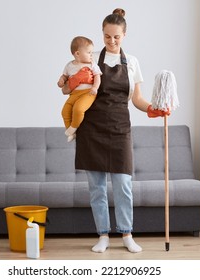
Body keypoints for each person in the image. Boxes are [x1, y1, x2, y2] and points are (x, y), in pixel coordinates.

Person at [68, 8, 169, 253]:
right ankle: (103, 235)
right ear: (102, 35)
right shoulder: (92, 62)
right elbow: (76, 91)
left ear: (124, 35)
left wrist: (153, 109)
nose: (111, 41)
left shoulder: (131, 62)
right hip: (92, 129)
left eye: (116, 37)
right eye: (107, 37)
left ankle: (126, 234)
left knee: (123, 185)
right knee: (97, 188)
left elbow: (136, 99)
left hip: (119, 128)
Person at [57, 36, 102, 142]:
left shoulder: (92, 65)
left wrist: (95, 87)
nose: (91, 55)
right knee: (65, 111)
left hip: (88, 93)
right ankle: (71, 131)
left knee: (78, 109)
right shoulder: (69, 65)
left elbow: (97, 77)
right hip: (73, 94)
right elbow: (64, 76)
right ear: (77, 54)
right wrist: (61, 81)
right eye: (89, 52)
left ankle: (73, 128)